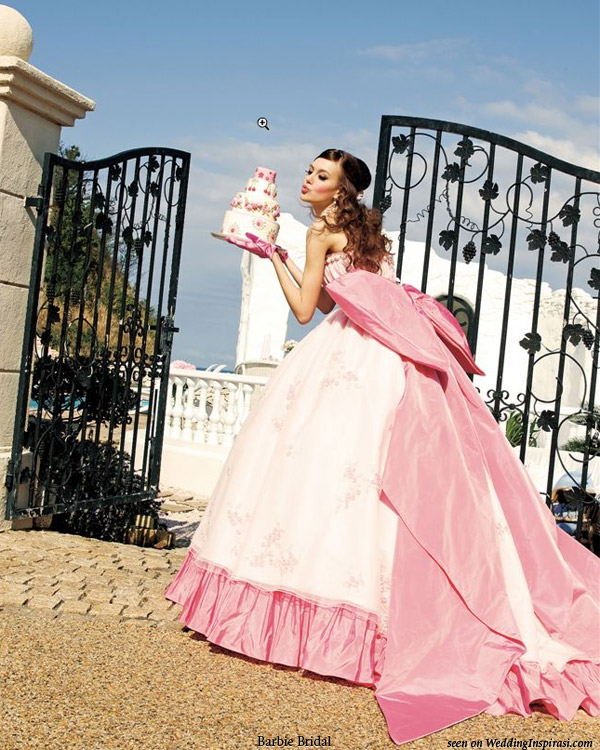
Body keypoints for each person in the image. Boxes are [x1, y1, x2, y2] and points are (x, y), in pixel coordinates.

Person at [165, 149, 600, 745]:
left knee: (319, 473)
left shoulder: (321, 231)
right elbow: (331, 299)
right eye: (311, 172)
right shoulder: (369, 235)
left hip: (343, 354)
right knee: (371, 480)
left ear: (339, 190)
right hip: (385, 357)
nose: (307, 180)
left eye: (320, 175)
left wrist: (272, 258)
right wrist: (288, 256)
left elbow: (302, 312)